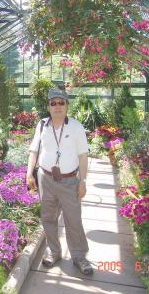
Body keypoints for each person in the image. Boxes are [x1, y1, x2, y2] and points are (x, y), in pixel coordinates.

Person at [26, 88, 93, 275]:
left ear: (67, 106)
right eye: (53, 103)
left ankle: (79, 256)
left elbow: (83, 156)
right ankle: (53, 252)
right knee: (48, 217)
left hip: (70, 180)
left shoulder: (76, 127)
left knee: (73, 219)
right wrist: (29, 173)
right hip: (46, 179)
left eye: (61, 103)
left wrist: (83, 181)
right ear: (48, 106)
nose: (57, 106)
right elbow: (34, 151)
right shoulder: (41, 125)